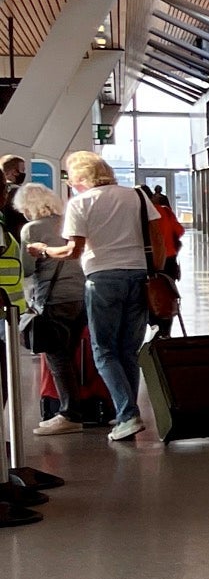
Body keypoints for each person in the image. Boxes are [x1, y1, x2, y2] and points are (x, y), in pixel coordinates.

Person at [31, 152, 155, 442]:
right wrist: (156, 274)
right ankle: (125, 410)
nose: (72, 186)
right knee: (128, 350)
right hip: (139, 277)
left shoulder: (80, 203)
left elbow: (74, 250)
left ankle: (127, 415)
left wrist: (44, 250)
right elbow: (156, 237)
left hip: (102, 279)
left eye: (72, 180)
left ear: (81, 179)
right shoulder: (135, 196)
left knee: (104, 351)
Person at [14, 183, 86, 434]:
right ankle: (76, 408)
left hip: (52, 299)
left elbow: (28, 269)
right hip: (81, 296)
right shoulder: (68, 222)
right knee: (71, 355)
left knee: (57, 358)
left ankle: (69, 414)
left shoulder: (31, 229)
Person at [0, 156, 29, 242]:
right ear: (14, 172)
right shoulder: (20, 192)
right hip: (17, 239)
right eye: (22, 170)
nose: (23, 173)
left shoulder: (3, 191)